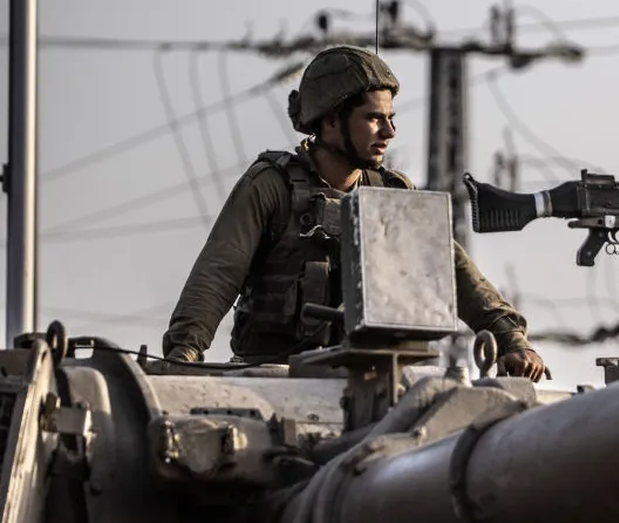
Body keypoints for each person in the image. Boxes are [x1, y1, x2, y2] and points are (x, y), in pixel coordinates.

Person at [161, 44, 548, 381]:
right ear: (331, 120)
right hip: (275, 380)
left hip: (370, 382)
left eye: (391, 118)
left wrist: (511, 340)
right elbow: (218, 273)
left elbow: (453, 270)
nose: (389, 132)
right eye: (374, 118)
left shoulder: (392, 195)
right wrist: (184, 354)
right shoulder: (271, 186)